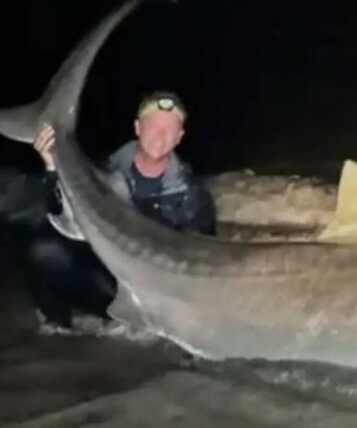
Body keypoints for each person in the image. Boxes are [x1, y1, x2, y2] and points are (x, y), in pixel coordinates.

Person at [27, 90, 216, 329]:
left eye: (170, 129)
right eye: (153, 126)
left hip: (157, 295)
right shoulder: (103, 173)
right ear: (137, 128)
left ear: (180, 136)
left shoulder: (193, 195)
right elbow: (60, 217)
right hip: (107, 282)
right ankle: (60, 332)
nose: (161, 135)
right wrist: (52, 167)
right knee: (44, 252)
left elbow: (204, 262)